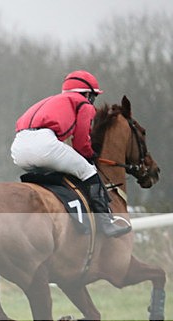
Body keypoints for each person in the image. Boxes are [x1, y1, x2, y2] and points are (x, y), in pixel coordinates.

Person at [11, 70, 131, 237]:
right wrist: (90, 156)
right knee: (88, 171)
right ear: (87, 94)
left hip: (18, 148)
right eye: (93, 96)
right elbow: (81, 141)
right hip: (44, 144)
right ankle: (105, 223)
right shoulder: (83, 104)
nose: (93, 101)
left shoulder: (51, 101)